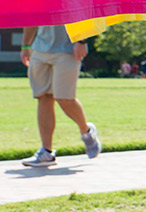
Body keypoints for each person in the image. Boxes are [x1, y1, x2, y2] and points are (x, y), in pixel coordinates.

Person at [20, 26, 103, 168]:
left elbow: (82, 13)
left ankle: (86, 131)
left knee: (64, 98)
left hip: (67, 49)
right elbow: (31, 19)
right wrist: (26, 45)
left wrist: (82, 41)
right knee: (43, 97)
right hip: (39, 49)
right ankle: (46, 152)